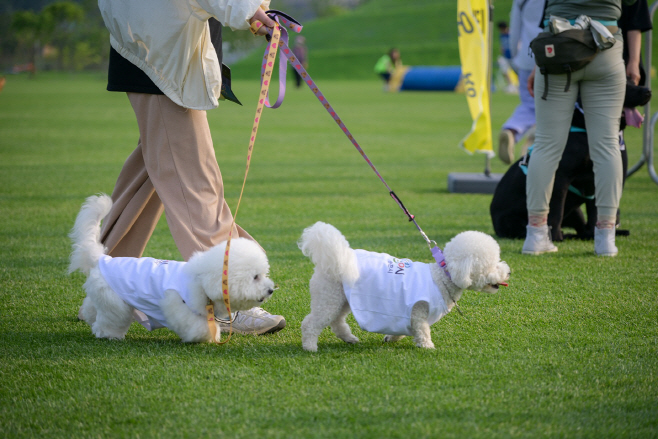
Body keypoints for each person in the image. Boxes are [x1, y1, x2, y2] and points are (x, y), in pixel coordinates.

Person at [95, 0, 286, 334]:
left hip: (154, 47)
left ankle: (103, 285)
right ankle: (228, 298)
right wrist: (244, 9)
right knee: (195, 181)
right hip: (162, 54)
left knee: (155, 168)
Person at [522, 0, 637, 257]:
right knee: (607, 145)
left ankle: (536, 234)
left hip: (557, 46)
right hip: (605, 44)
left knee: (546, 145)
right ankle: (605, 237)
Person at [497, 0, 544, 165]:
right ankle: (537, 135)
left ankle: (511, 130)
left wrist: (515, 57)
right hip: (559, 55)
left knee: (529, 104)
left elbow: (515, 29)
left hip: (527, 56)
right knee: (563, 106)